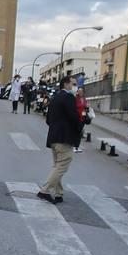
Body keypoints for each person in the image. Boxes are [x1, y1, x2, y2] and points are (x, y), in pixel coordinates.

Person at [38, 76, 83, 204]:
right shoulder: (68, 97)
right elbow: (74, 117)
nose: (76, 87)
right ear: (66, 84)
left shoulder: (55, 97)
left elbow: (48, 119)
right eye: (73, 84)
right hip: (64, 138)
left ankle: (58, 193)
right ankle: (44, 190)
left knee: (57, 165)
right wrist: (80, 127)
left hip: (53, 137)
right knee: (62, 166)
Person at [74, 87, 90, 153]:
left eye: (81, 91)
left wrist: (87, 108)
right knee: (76, 132)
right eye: (79, 91)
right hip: (77, 118)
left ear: (83, 92)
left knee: (79, 133)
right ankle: (74, 146)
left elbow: (86, 108)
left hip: (83, 118)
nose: (80, 92)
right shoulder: (75, 99)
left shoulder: (84, 99)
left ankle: (76, 146)